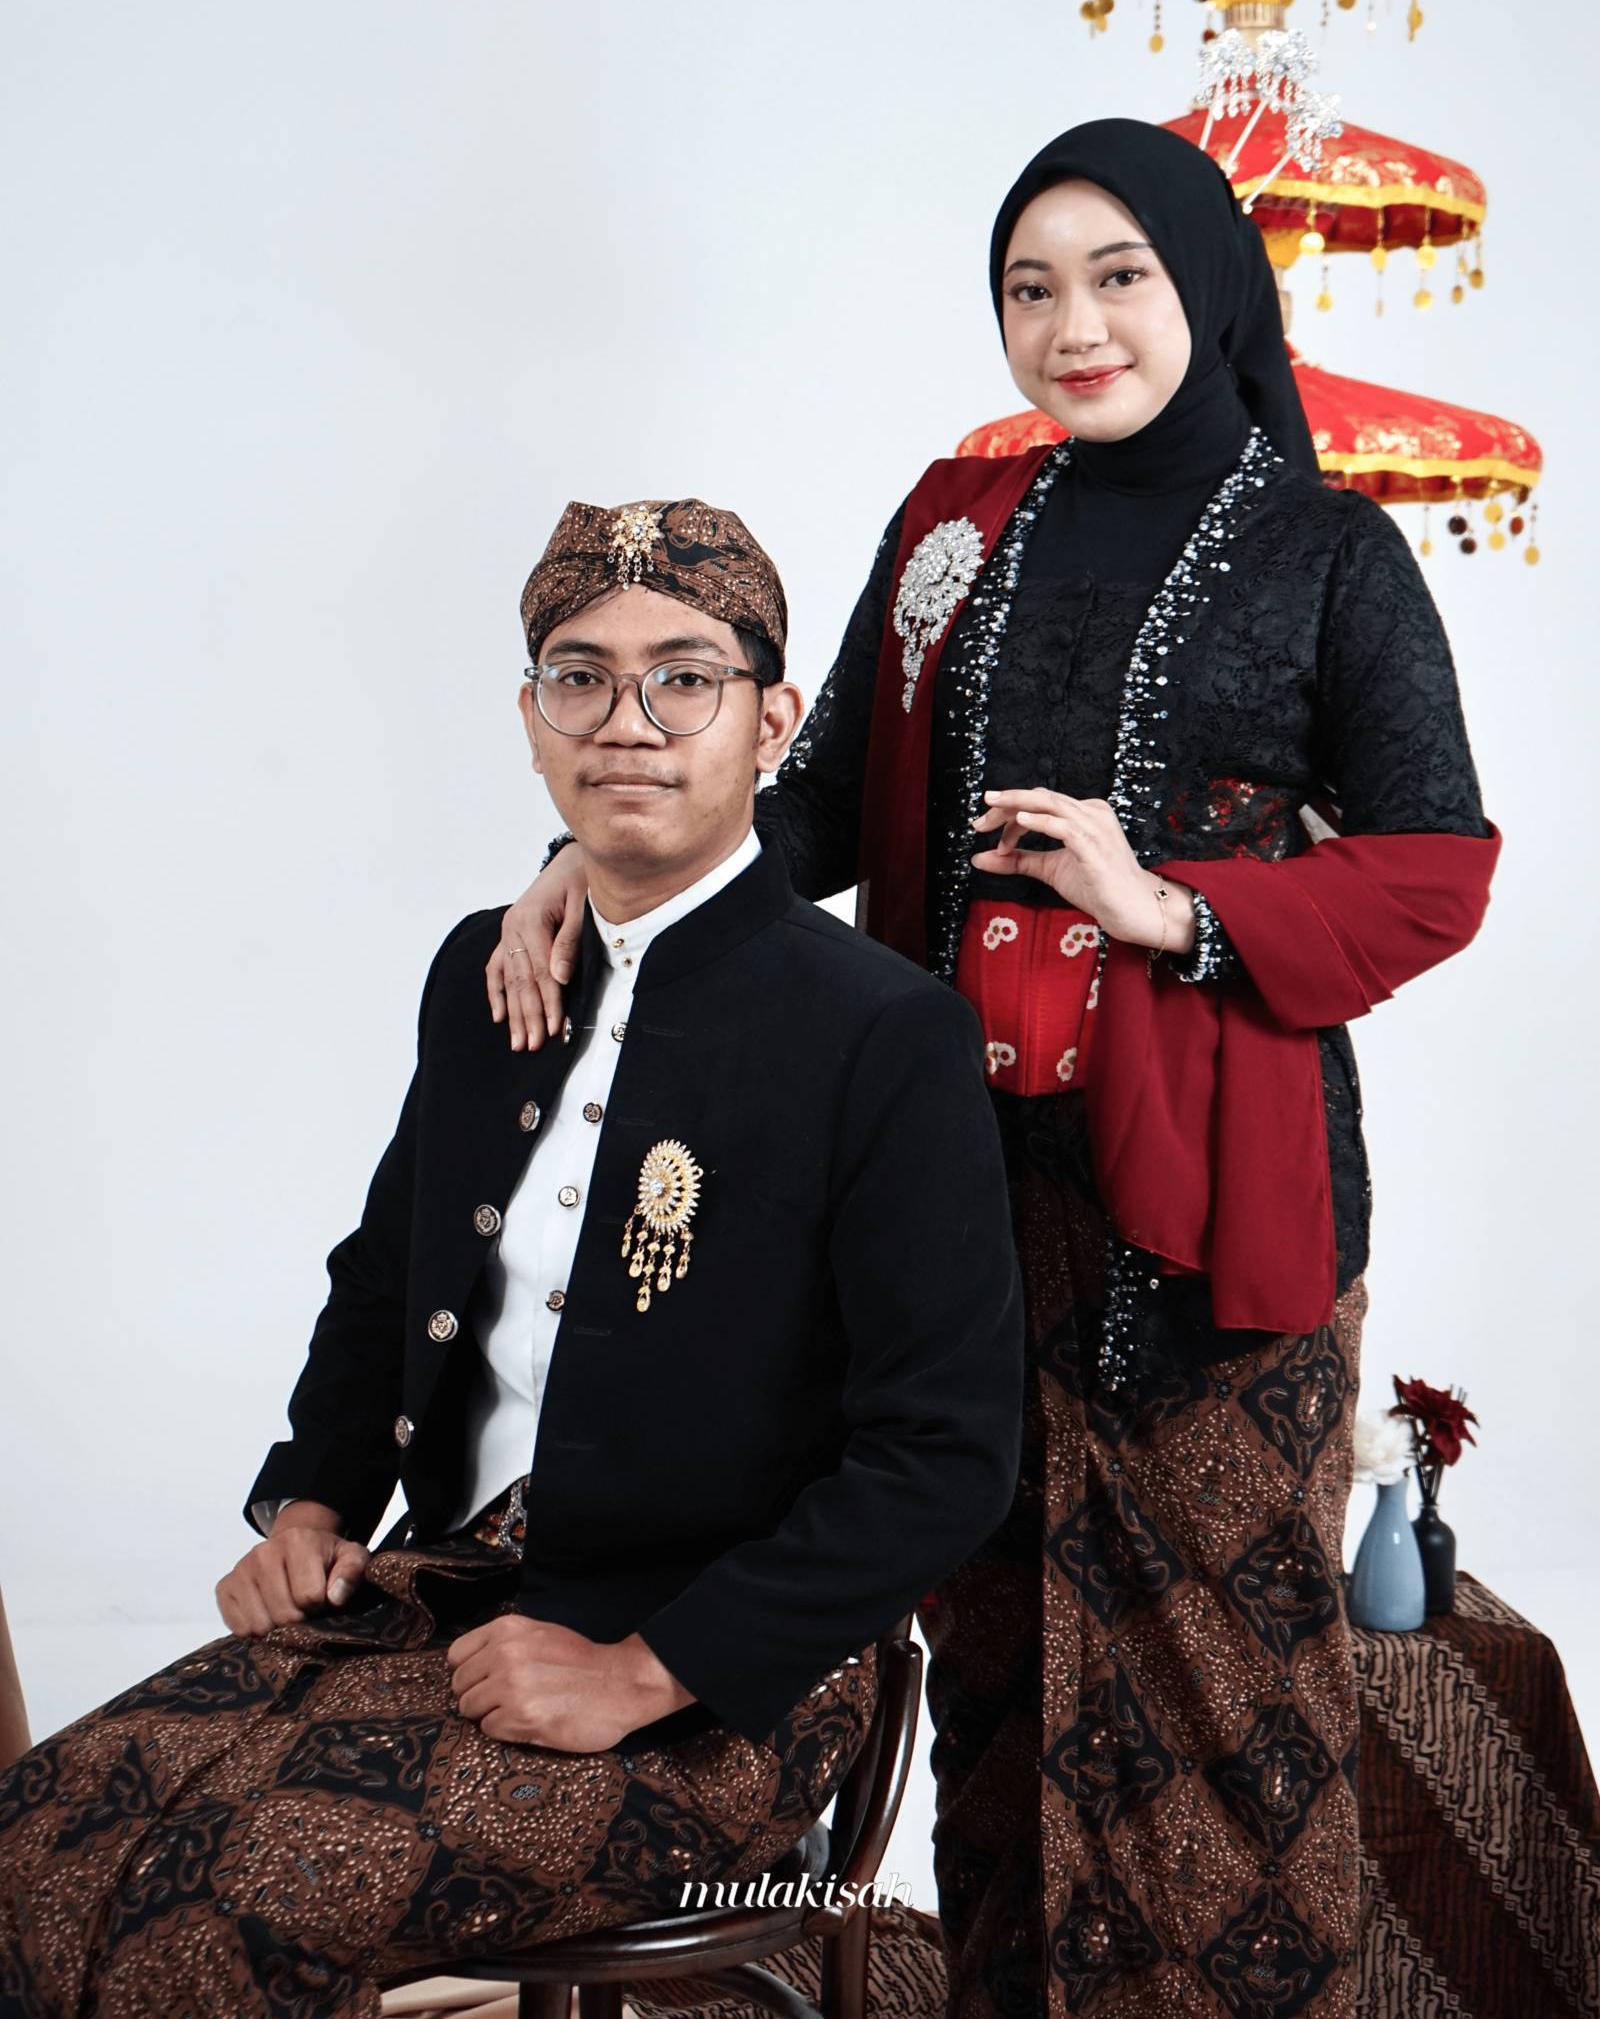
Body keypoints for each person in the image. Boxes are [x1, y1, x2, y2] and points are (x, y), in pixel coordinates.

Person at [489, 123, 1500, 2018]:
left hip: (1209, 1201)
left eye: (1118, 277)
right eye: (1031, 289)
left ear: (1207, 284)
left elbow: (1436, 869)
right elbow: (809, 805)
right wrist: (592, 859)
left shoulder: (1328, 554)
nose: (1072, 326)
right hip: (943, 1180)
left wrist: (1170, 905)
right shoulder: (958, 521)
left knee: (1225, 1692)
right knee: (992, 1655)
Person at [0, 496, 1024, 2019]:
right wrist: (312, 1502)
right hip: (447, 1600)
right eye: (579, 678)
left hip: (722, 1688)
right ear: (532, 719)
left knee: (206, 1925)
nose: (628, 723)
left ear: (773, 722)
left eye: (685, 679)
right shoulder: (485, 973)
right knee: (35, 1843)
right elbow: (384, 1273)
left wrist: (645, 1670)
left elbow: (946, 1456)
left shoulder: (882, 1033)